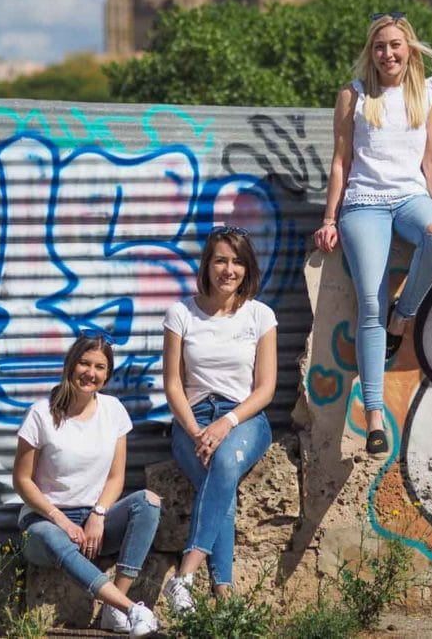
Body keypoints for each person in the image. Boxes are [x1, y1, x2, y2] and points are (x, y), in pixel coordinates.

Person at [314, 12, 432, 457]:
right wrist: (330, 218)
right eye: (379, 47)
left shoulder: (428, 92)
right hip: (364, 204)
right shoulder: (354, 95)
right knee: (370, 303)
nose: (387, 54)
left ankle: (403, 315)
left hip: (411, 197)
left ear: (408, 48)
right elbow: (341, 161)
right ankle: (374, 414)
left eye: (394, 45)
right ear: (370, 52)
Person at [13, 333, 161, 638]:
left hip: (93, 526)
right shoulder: (41, 414)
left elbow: (116, 478)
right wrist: (60, 520)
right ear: (70, 365)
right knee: (52, 536)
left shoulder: (113, 411)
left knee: (148, 502)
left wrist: (99, 513)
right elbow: (22, 480)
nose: (90, 373)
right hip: (45, 522)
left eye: (99, 367)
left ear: (107, 375)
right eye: (84, 363)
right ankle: (130, 609)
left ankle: (112, 610)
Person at [161, 225, 277, 611]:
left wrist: (226, 423)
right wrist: (196, 431)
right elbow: (173, 384)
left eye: (237, 262)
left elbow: (265, 389)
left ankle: (184, 576)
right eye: (221, 261)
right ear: (207, 266)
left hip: (244, 418)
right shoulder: (181, 314)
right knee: (220, 484)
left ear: (248, 268)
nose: (229, 270)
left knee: (224, 463)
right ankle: (223, 594)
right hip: (191, 420)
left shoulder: (260, 315)